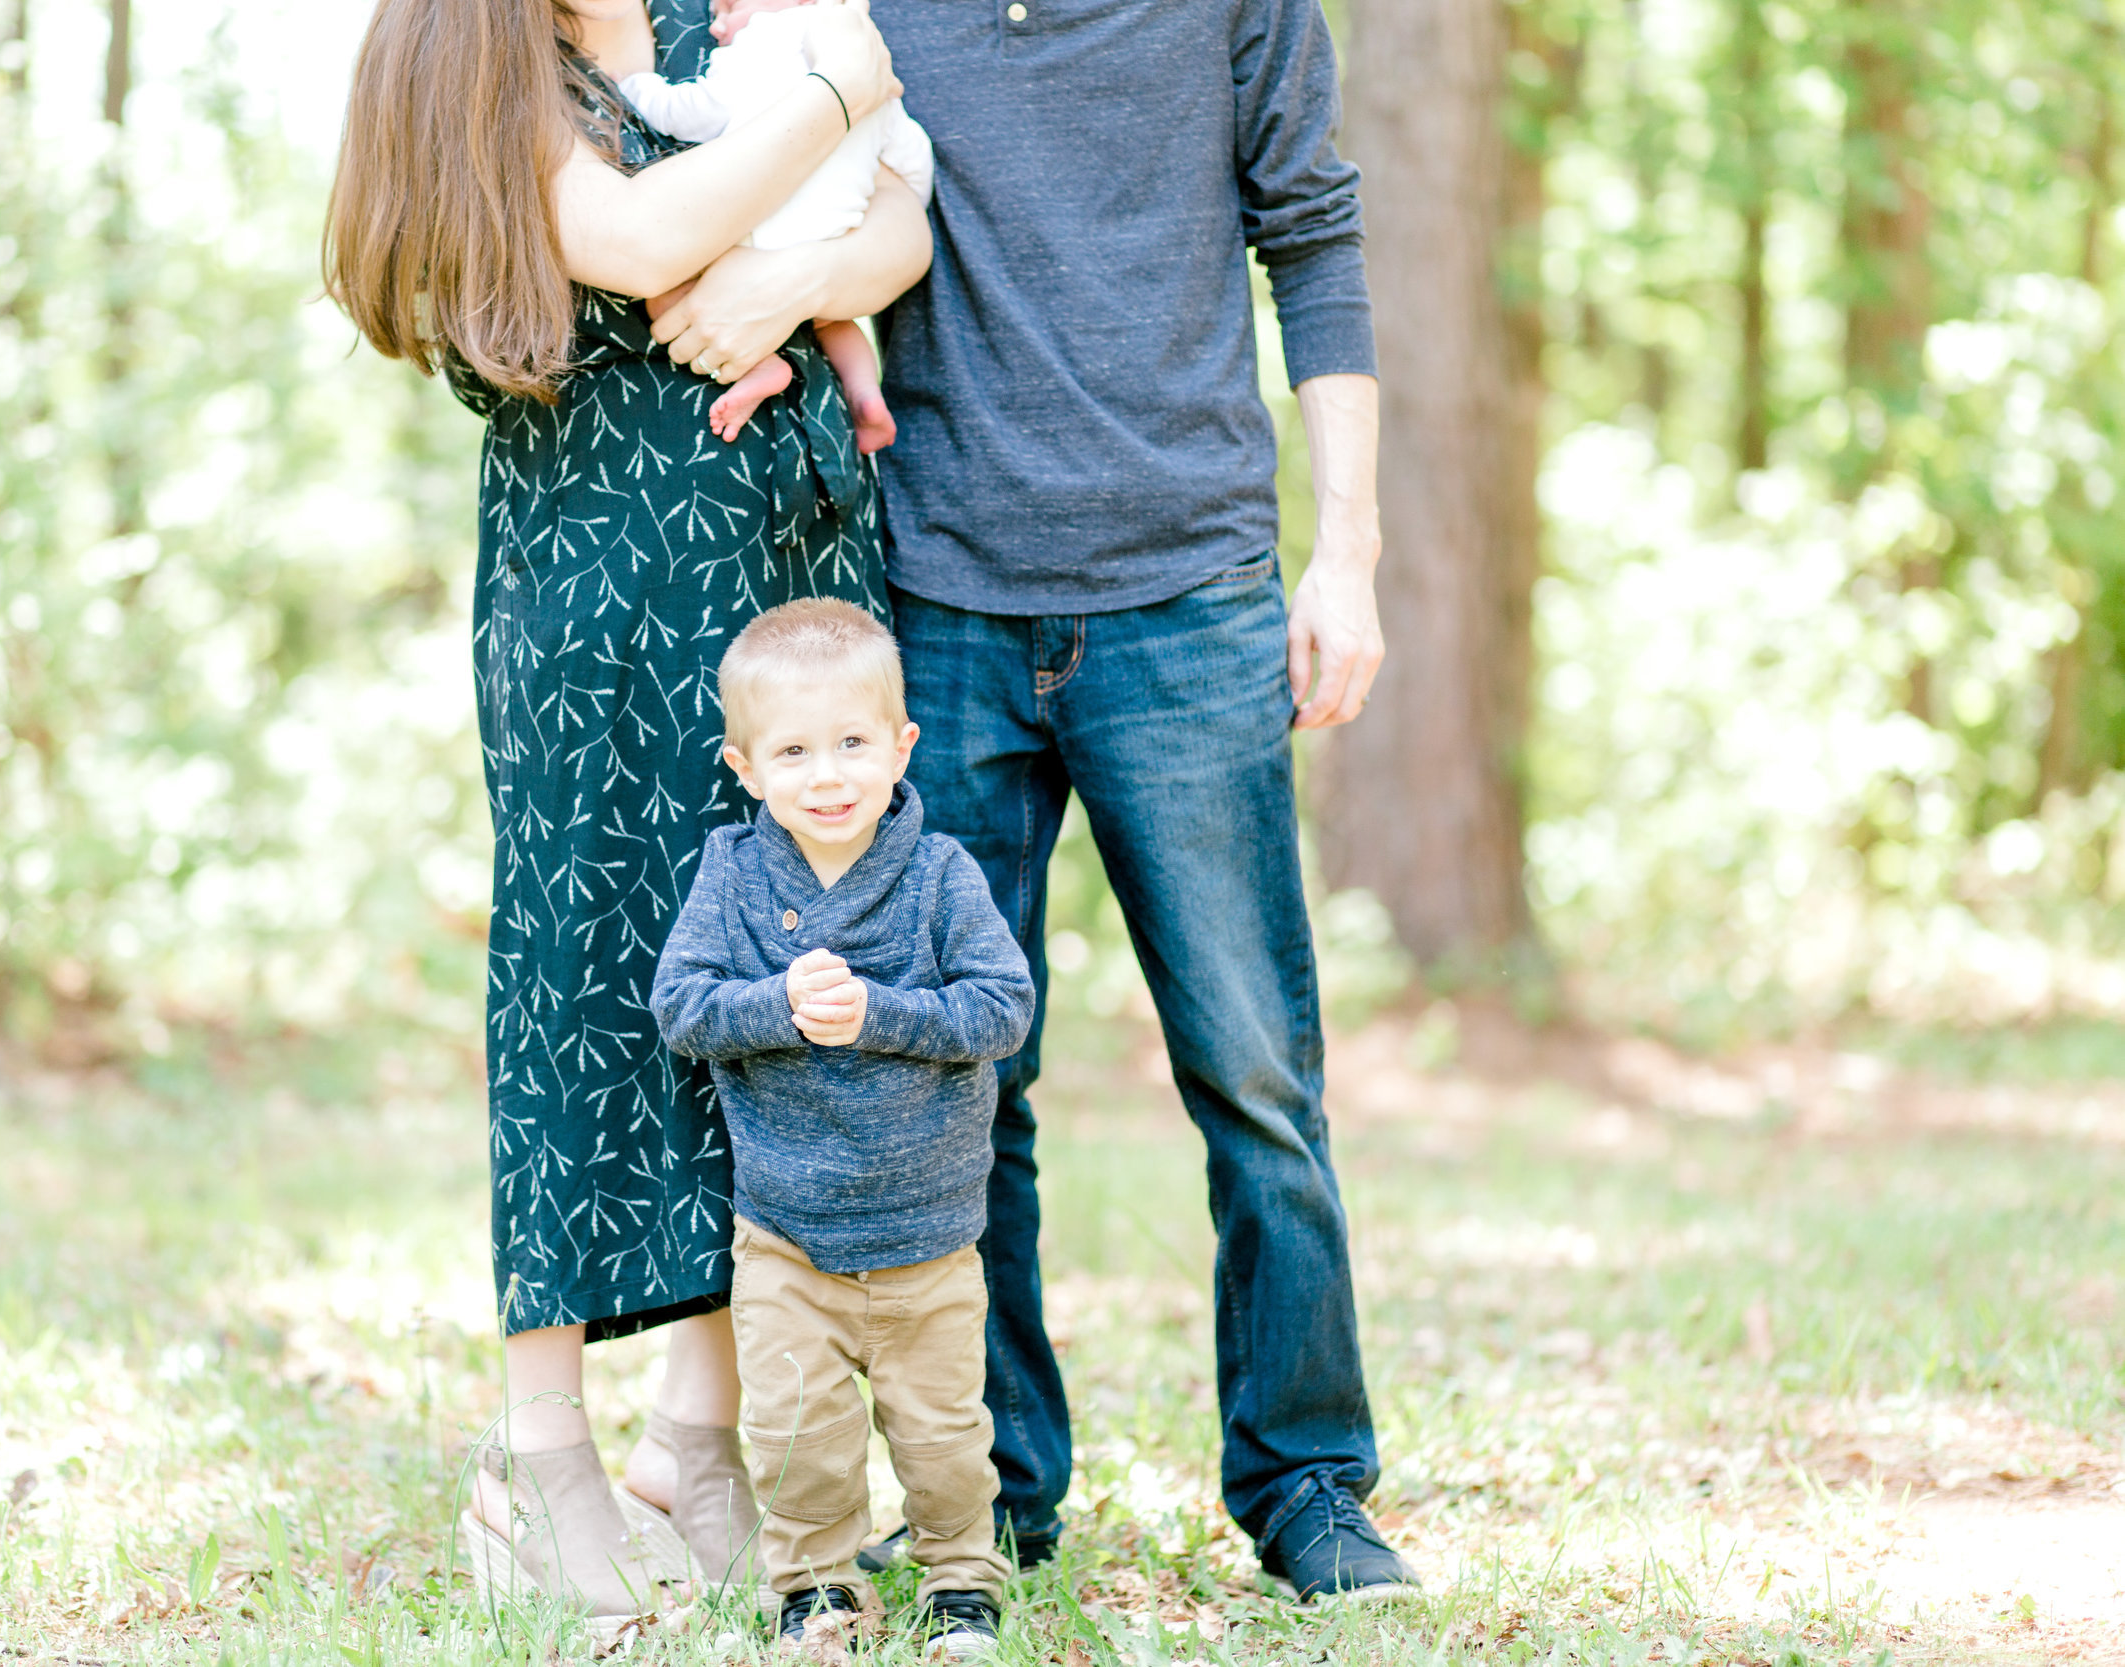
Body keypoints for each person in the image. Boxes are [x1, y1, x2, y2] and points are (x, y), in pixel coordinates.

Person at [321, 0, 930, 1616]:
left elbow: (905, 224)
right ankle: (539, 1456)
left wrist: (803, 268)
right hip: (601, 594)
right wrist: (841, 80)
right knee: (588, 989)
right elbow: (647, 228)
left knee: (763, 992)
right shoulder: (479, 54)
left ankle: (701, 1436)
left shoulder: (702, 21)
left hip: (782, 589)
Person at [847, 0, 1420, 1605]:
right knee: (965, 1073)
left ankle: (1309, 1483)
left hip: (1190, 594)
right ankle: (995, 1491)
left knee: (1253, 1069)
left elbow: (1312, 236)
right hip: (938, 597)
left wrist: (1350, 551)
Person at [651, 598, 1032, 1655]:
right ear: (744, 764)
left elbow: (1004, 1009)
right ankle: (815, 1586)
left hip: (927, 1234)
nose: (828, 774)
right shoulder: (732, 874)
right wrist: (776, 1003)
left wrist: (881, 1012)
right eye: (794, 749)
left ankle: (960, 1576)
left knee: (945, 1437)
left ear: (901, 743)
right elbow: (680, 1006)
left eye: (854, 742)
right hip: (786, 1230)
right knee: (796, 1434)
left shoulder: (939, 874)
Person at [618, 0, 934, 453]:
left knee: (657, 279)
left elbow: (696, 111)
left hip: (751, 234)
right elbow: (912, 155)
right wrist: (894, 202)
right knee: (835, 321)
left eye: (728, 7)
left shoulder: (761, 40)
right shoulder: (867, 59)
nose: (718, 23)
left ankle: (761, 366)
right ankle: (864, 392)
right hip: (837, 235)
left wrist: (638, 88)